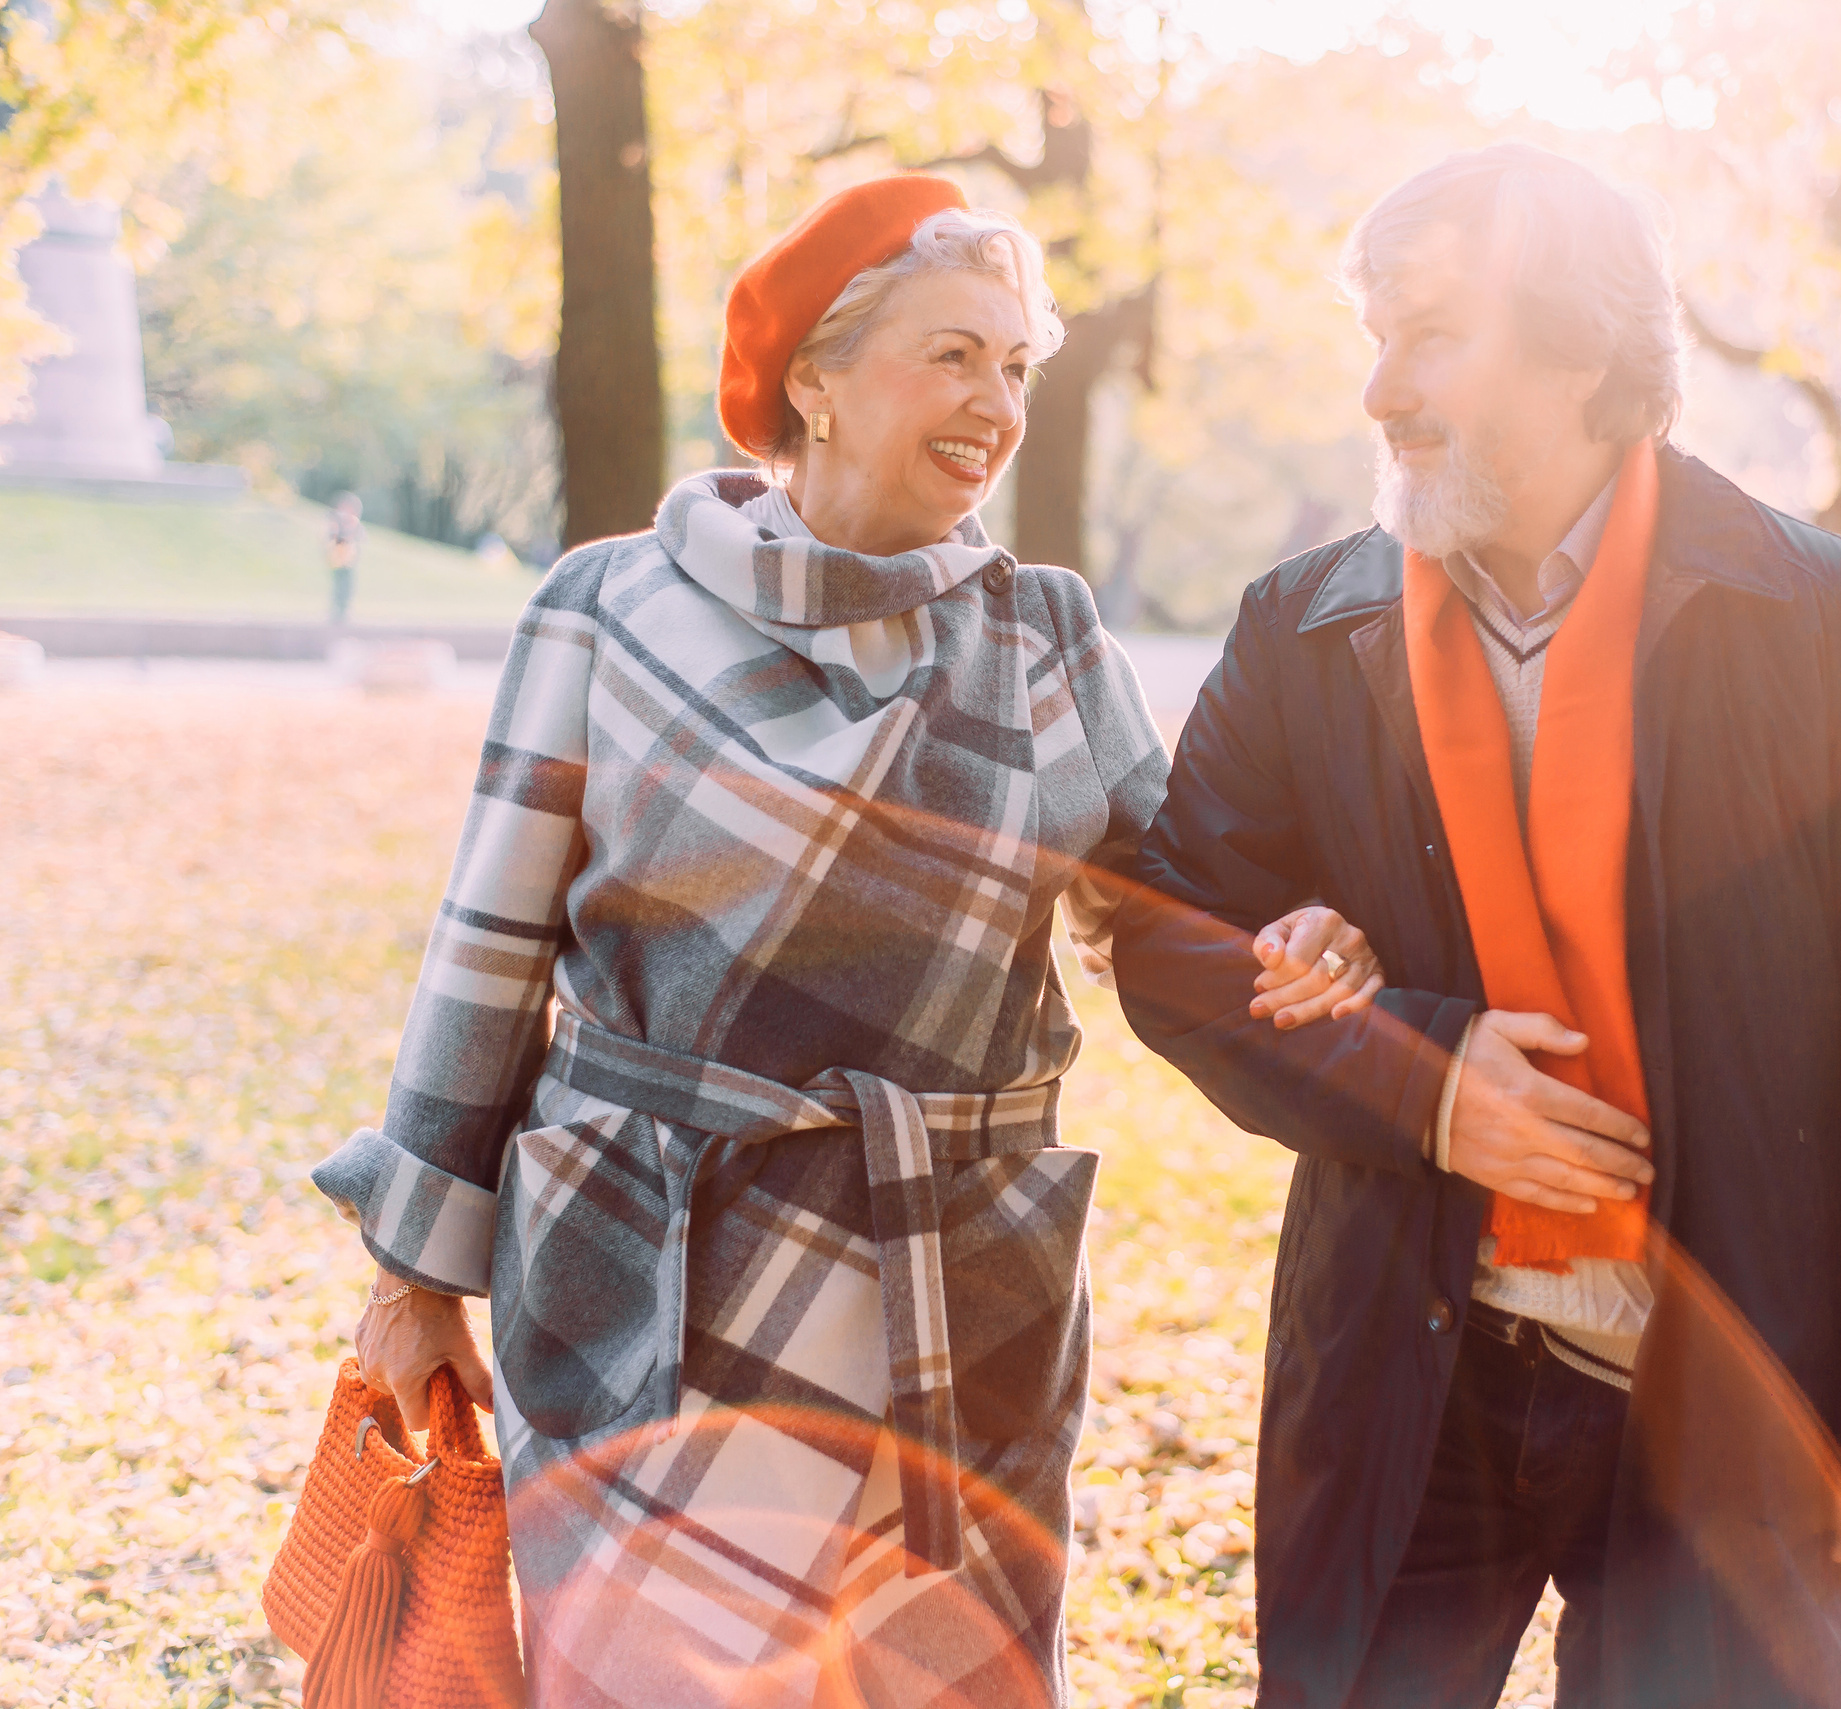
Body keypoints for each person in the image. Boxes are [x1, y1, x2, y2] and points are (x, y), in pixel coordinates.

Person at [310, 176, 1354, 1709]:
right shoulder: (609, 605)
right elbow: (488, 947)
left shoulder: (1043, 630)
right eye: (952, 355)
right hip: (642, 1267)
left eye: (1014, 365)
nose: (995, 401)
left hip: (954, 1282)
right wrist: (413, 1269)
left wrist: (1298, 926)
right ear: (813, 372)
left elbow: (1175, 901)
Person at [1111, 144, 1841, 1708]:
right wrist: (1431, 1083)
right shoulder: (1306, 626)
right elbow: (1172, 938)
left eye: (1433, 333)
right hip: (1409, 1362)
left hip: (1737, 1379)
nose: (1383, 387)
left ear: (1584, 347)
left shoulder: (1829, 622)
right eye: (1374, 336)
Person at [325, 492, 363, 624]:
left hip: (348, 560)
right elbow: (333, 537)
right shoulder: (336, 523)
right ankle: (337, 612)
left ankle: (344, 611)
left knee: (347, 587)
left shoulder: (352, 522)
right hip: (337, 560)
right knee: (338, 587)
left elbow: (355, 537)